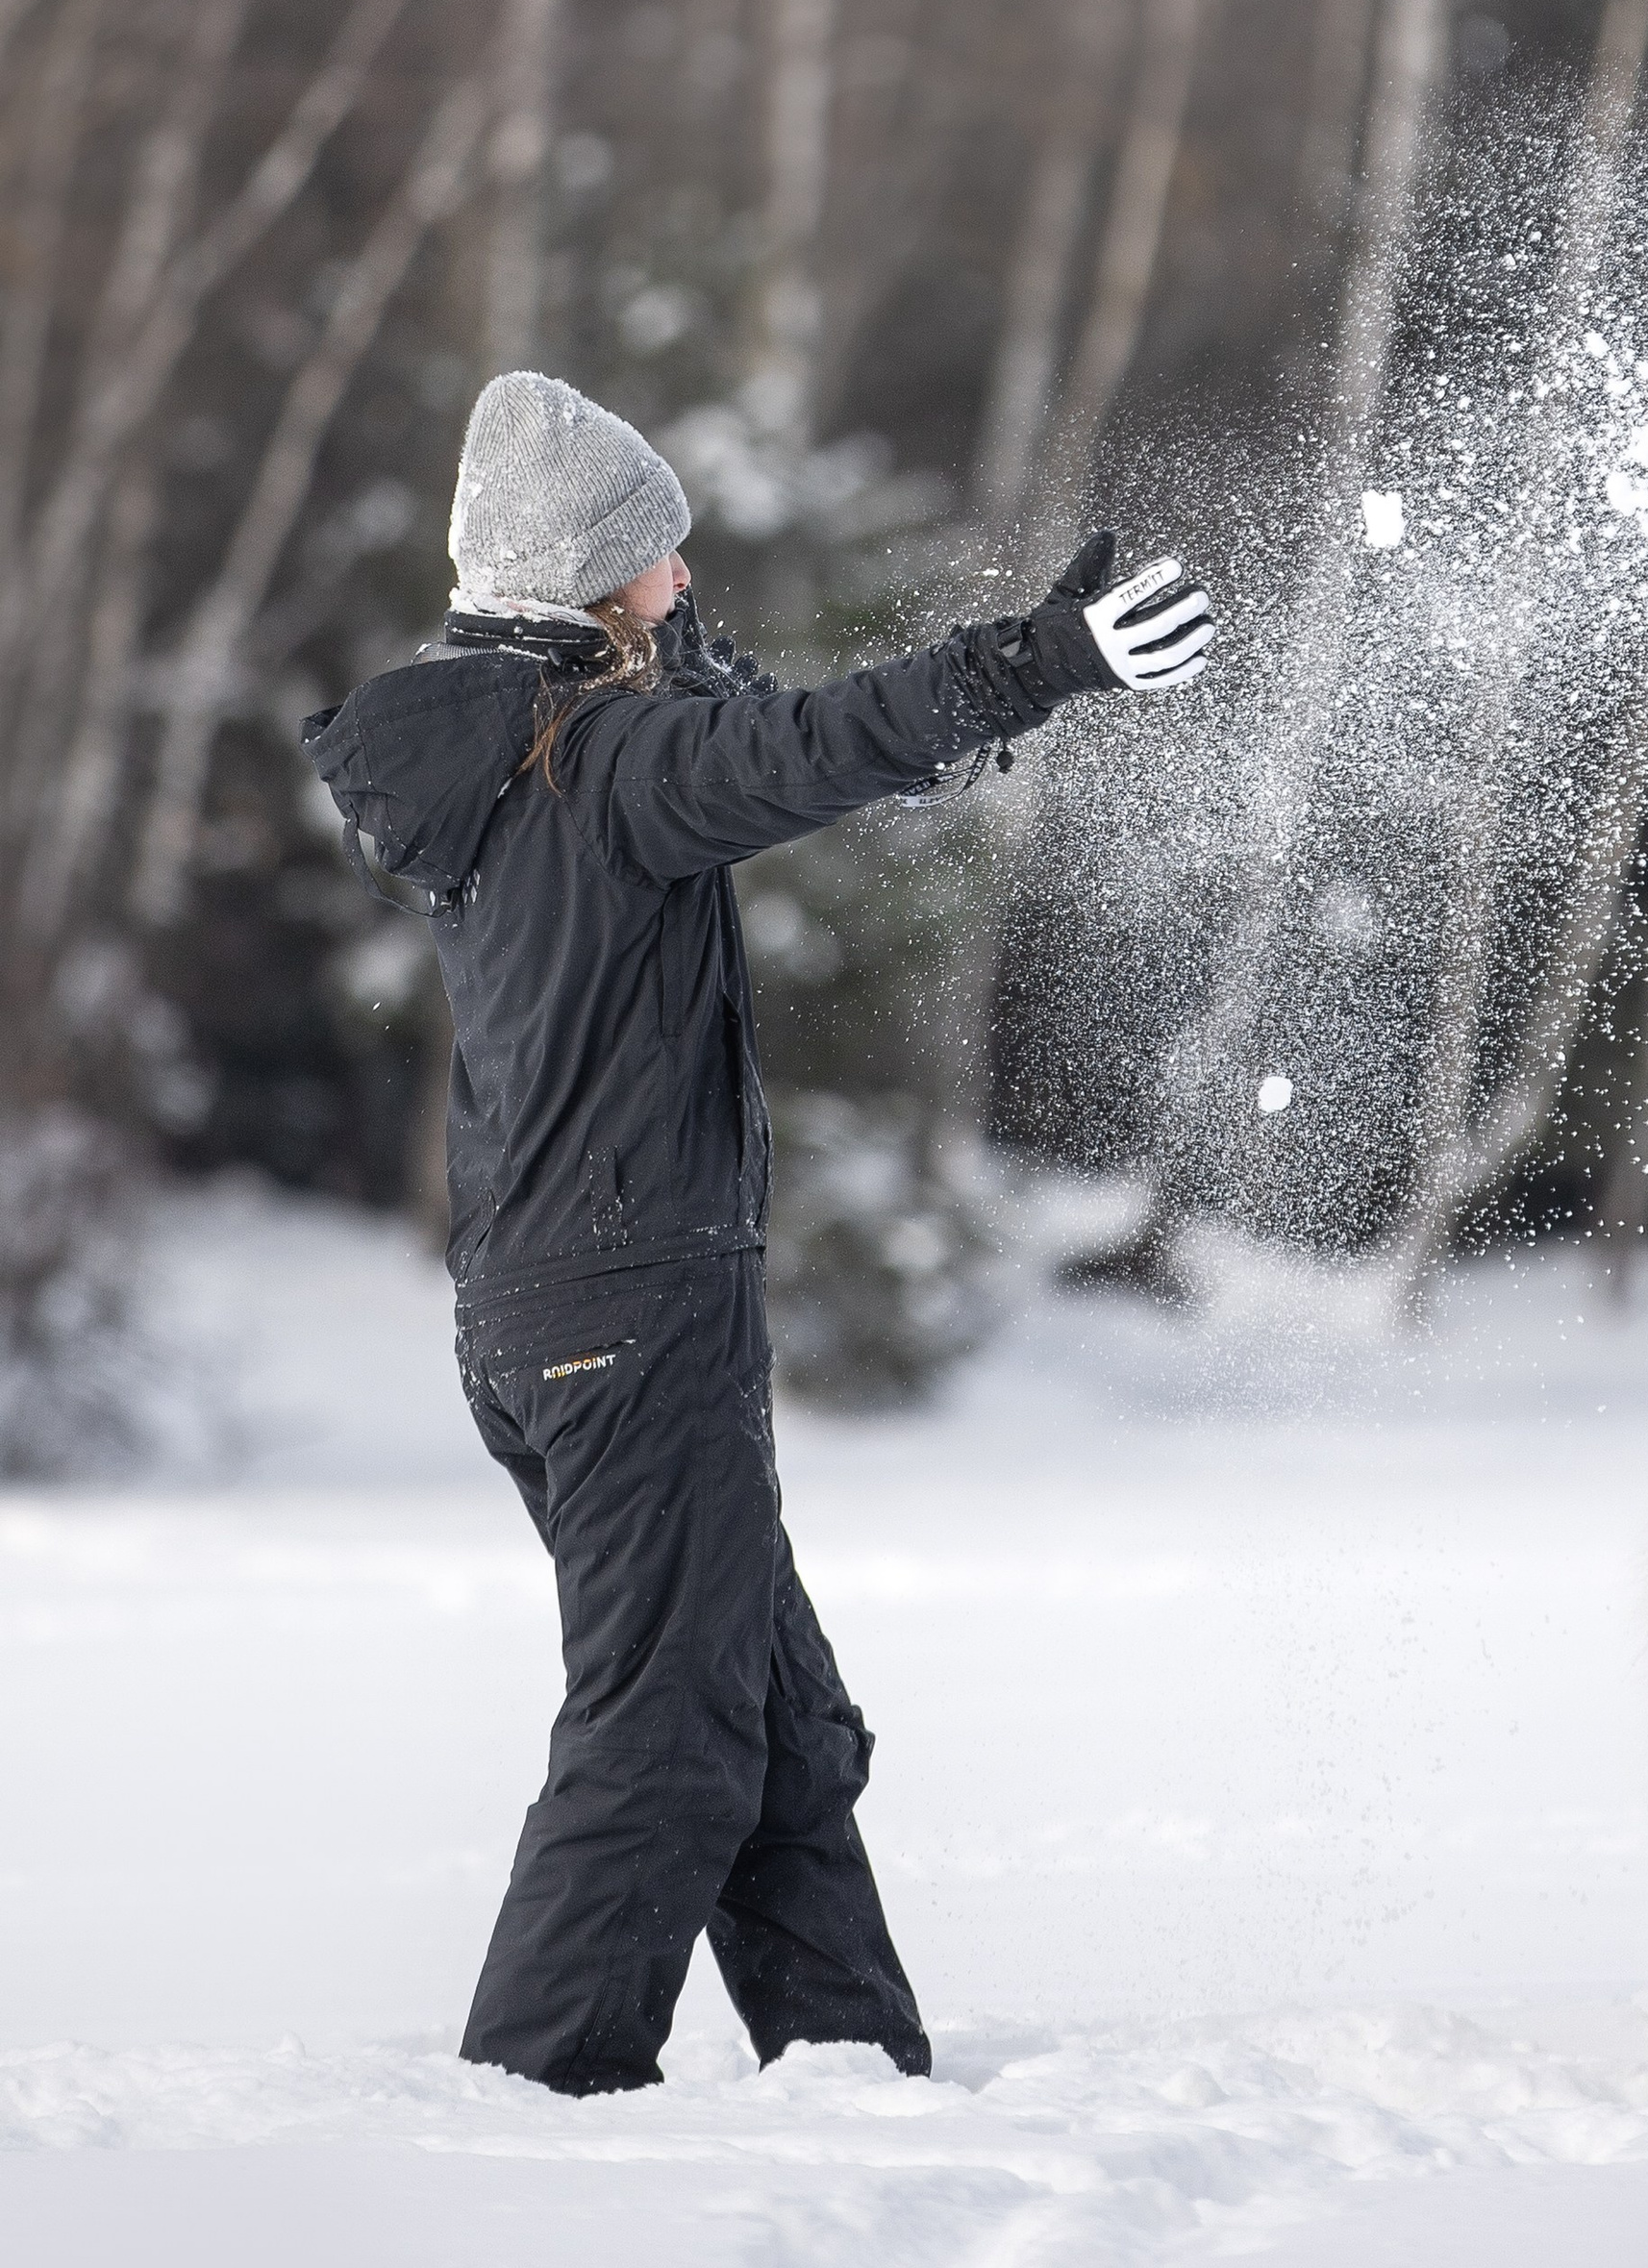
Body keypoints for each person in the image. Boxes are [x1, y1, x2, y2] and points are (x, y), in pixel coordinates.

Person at [304, 369, 1212, 2097]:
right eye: (661, 564)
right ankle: (537, 2099)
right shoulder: (605, 761)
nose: (689, 586)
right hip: (633, 1308)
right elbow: (796, 751)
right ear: (590, 587)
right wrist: (1038, 661)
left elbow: (776, 745)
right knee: (666, 1733)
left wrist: (947, 701)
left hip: (552, 1305)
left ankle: (854, 2075)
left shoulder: (512, 750)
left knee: (773, 1722)